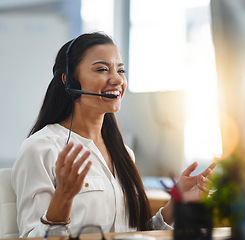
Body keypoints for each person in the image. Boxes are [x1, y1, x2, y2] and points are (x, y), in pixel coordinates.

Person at [11, 32, 215, 238]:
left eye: (121, 70)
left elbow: (135, 234)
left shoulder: (124, 153)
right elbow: (31, 236)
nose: (117, 79)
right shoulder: (41, 148)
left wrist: (176, 204)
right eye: (102, 69)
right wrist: (62, 199)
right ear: (69, 80)